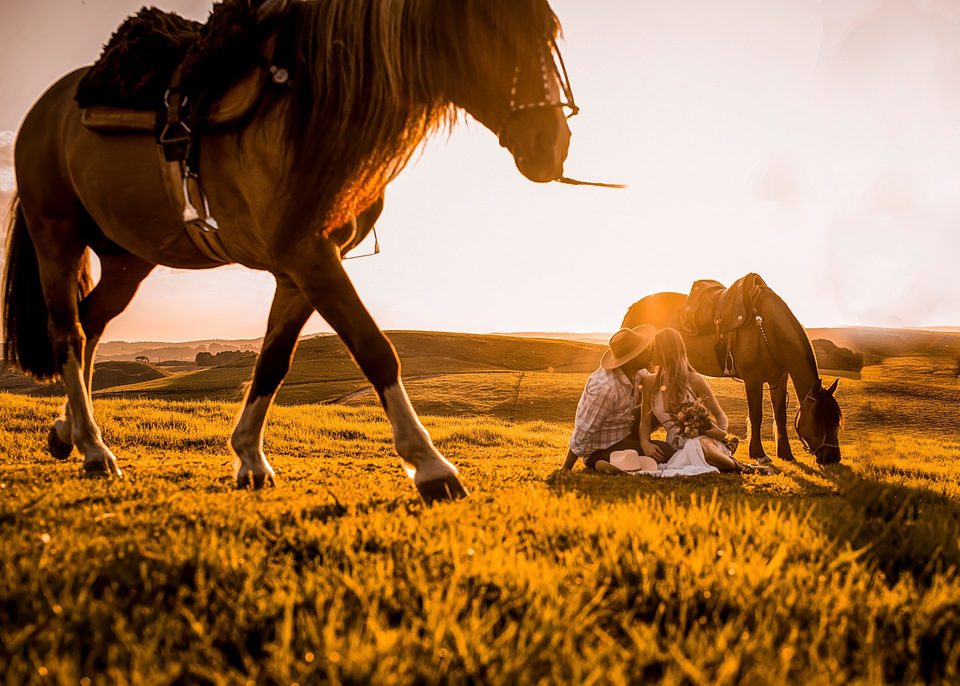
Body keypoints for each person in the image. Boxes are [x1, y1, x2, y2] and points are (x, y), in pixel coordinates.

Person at [637, 328, 772, 476]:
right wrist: (645, 443)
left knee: (698, 446)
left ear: (666, 351)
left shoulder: (694, 380)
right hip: (675, 446)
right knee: (692, 450)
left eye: (654, 348)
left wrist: (720, 432)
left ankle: (742, 467)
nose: (651, 352)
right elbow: (645, 422)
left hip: (704, 440)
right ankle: (728, 462)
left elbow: (720, 415)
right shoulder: (650, 383)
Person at [561, 325, 659, 472]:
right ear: (633, 358)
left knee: (659, 408)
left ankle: (623, 456)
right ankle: (600, 460)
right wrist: (566, 467)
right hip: (602, 446)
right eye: (644, 350)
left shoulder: (635, 372)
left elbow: (652, 379)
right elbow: (585, 429)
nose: (649, 351)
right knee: (665, 453)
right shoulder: (605, 388)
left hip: (622, 429)